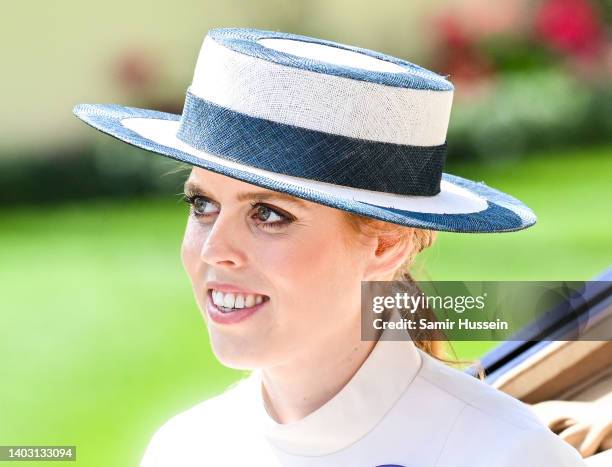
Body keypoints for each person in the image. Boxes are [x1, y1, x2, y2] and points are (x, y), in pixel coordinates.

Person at [73, 28, 587, 466]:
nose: (214, 250)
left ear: (387, 245)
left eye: (268, 214)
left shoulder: (505, 455)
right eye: (202, 205)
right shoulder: (185, 450)